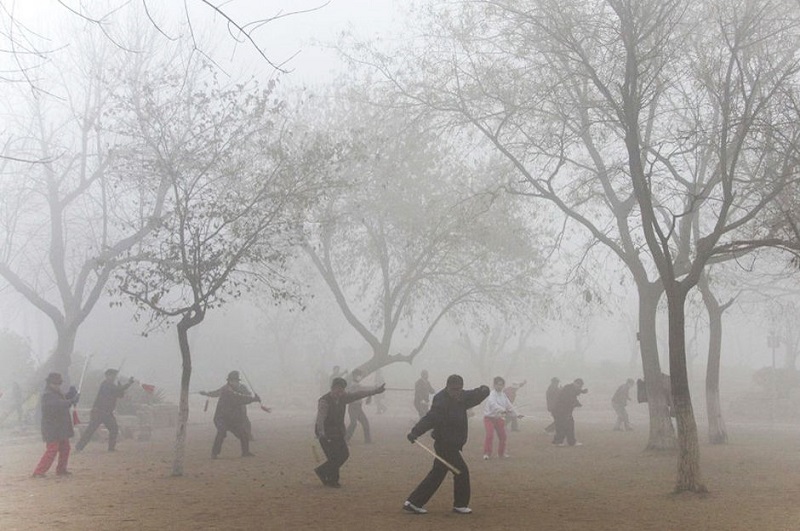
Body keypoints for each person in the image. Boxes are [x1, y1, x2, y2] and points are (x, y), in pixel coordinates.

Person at [403, 374, 490, 515]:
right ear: (447, 387)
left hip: (454, 444)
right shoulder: (441, 401)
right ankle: (460, 505)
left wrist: (484, 390)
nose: (456, 393)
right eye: (453, 389)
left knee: (437, 474)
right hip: (444, 445)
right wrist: (415, 432)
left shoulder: (462, 397)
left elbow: (475, 395)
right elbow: (430, 419)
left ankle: (413, 502)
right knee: (461, 471)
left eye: (459, 389)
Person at [314, 377, 385, 487]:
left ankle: (322, 471)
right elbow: (320, 419)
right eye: (337, 390)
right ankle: (333, 480)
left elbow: (359, 394)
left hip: (338, 432)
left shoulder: (344, 397)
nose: (339, 393)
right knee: (334, 457)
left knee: (344, 455)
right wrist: (321, 433)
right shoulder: (324, 401)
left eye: (342, 390)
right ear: (332, 388)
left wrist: (375, 391)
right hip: (326, 433)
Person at [200, 371, 261, 458]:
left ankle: (245, 452)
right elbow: (239, 398)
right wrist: (253, 399)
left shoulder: (238, 389)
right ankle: (214, 453)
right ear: (229, 381)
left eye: (237, 381)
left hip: (233, 419)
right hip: (221, 418)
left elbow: (244, 396)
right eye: (233, 381)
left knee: (243, 434)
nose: (235, 382)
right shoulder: (226, 390)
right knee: (221, 432)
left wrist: (253, 398)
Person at [75, 369, 135, 452]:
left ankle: (111, 448)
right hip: (99, 412)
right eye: (112, 375)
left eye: (114, 375)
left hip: (107, 413)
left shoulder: (111, 386)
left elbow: (120, 395)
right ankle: (79, 447)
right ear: (107, 376)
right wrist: (128, 384)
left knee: (114, 429)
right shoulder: (105, 385)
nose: (113, 377)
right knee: (90, 430)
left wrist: (120, 385)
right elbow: (117, 390)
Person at [33, 372, 79, 477]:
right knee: (52, 449)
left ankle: (61, 470)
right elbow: (58, 404)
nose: (57, 385)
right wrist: (71, 401)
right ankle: (38, 472)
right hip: (51, 428)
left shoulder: (56, 393)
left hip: (60, 427)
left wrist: (70, 394)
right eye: (55, 383)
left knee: (65, 448)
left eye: (59, 383)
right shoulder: (47, 395)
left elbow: (62, 401)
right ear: (49, 383)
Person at [483, 376, 521, 459]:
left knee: (503, 436)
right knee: (489, 435)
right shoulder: (491, 395)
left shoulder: (503, 395)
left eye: (501, 385)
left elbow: (509, 406)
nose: (499, 386)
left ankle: (501, 453)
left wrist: (517, 414)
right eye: (498, 384)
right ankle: (487, 453)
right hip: (489, 418)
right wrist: (503, 410)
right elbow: (493, 405)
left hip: (499, 418)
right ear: (494, 385)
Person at [552, 378, 588, 447]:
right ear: (576, 383)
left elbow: (576, 392)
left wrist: (582, 391)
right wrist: (577, 403)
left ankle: (558, 441)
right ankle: (571, 442)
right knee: (569, 426)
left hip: (559, 410)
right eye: (580, 386)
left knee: (560, 426)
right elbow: (571, 398)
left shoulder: (569, 387)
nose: (580, 388)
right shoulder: (569, 389)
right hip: (562, 411)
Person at [345, 369, 373, 443]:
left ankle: (368, 440)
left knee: (365, 423)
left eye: (360, 375)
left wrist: (372, 390)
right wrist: (373, 388)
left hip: (358, 407)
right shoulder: (353, 385)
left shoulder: (356, 384)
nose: (359, 377)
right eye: (358, 375)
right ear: (354, 376)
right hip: (353, 407)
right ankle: (345, 439)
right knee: (353, 423)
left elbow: (363, 389)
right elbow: (363, 389)